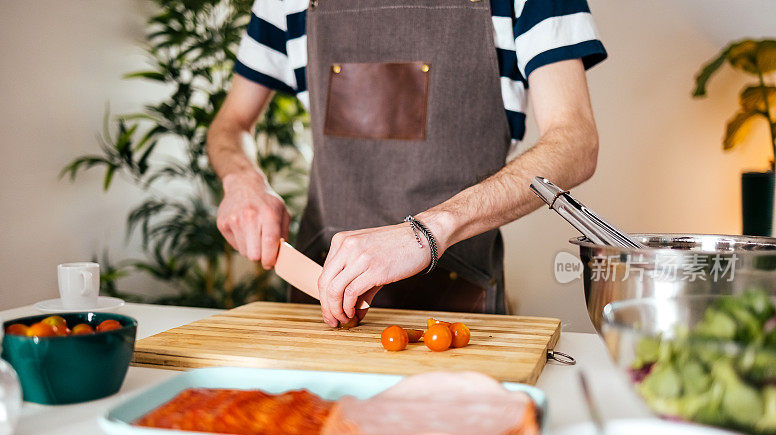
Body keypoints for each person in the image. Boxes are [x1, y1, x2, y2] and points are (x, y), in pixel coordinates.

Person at [208, 0, 606, 327]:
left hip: (459, 309)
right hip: (319, 305)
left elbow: (575, 142)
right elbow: (230, 125)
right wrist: (243, 179)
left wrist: (426, 233)